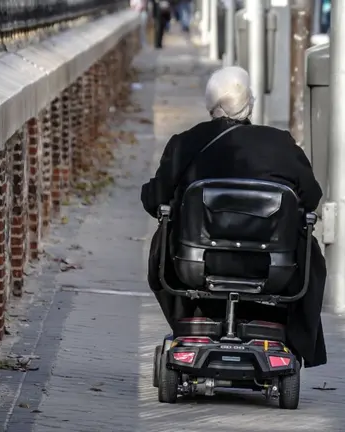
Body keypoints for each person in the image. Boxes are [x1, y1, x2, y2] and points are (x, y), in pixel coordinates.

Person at [141, 66, 328, 368]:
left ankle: (192, 319)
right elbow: (312, 198)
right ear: (250, 103)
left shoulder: (185, 143)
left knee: (164, 238)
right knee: (308, 245)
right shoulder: (281, 144)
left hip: (196, 265)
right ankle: (288, 334)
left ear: (210, 104)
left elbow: (154, 200)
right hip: (272, 268)